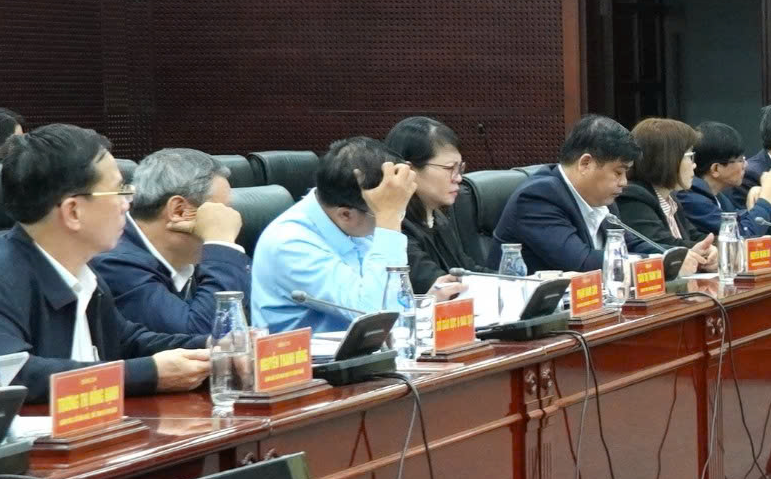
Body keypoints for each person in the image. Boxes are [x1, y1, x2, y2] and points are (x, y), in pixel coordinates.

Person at [0, 125, 208, 401]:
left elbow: (127, 341)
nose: (127, 204)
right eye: (119, 191)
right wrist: (148, 374)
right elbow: (11, 375)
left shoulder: (84, 273)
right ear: (73, 211)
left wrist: (211, 347)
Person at [249, 137, 442, 333]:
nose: (397, 218)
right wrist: (388, 217)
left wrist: (424, 306)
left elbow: (392, 306)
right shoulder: (289, 243)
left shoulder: (352, 219)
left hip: (364, 349)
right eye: (387, 212)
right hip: (306, 353)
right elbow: (377, 315)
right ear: (345, 215)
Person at [495, 115, 717, 275]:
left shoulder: (602, 200)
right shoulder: (538, 198)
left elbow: (634, 245)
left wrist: (683, 254)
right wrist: (664, 264)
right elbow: (582, 263)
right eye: (618, 172)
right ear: (586, 164)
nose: (624, 182)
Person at [92, 148, 251, 336]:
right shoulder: (116, 264)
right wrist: (221, 243)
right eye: (220, 212)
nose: (229, 221)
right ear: (179, 211)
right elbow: (209, 336)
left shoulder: (191, 256)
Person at [387, 116, 486, 291]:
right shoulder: (394, 227)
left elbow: (467, 270)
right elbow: (436, 285)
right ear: (408, 170)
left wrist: (524, 283)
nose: (458, 178)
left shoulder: (438, 217)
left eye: (460, 169)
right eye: (450, 169)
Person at [676, 121, 771, 239]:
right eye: (740, 160)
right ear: (716, 169)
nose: (746, 164)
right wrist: (767, 195)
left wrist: (761, 200)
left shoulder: (718, 197)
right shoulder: (691, 198)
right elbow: (739, 235)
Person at [614, 118, 699, 248]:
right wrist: (704, 250)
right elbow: (660, 244)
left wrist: (714, 247)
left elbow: (694, 236)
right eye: (690, 156)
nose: (694, 165)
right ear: (668, 159)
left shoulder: (670, 198)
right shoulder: (633, 197)